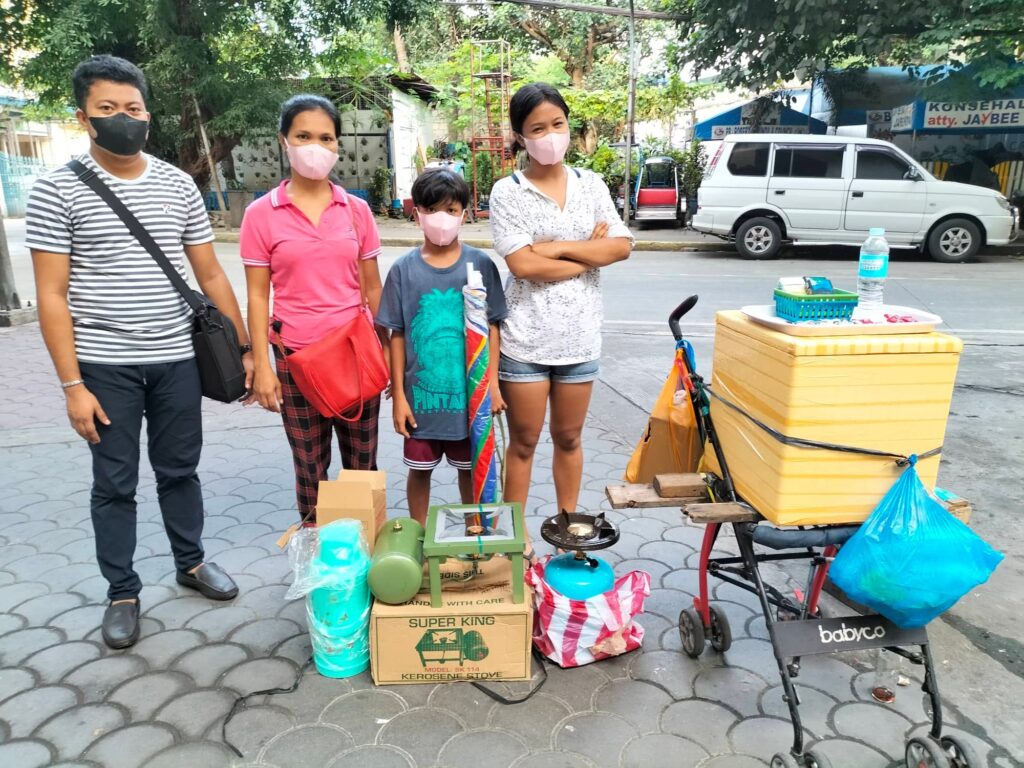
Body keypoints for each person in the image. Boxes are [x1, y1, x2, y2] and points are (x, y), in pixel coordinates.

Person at [27, 55, 252, 649]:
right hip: (104, 366)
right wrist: (73, 386)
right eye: (107, 109)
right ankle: (122, 591)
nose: (122, 119)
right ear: (83, 117)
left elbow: (211, 274)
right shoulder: (55, 190)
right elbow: (50, 295)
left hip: (178, 356)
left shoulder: (177, 184)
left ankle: (192, 562)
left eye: (132, 108)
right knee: (115, 482)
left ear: (146, 114)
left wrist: (245, 347)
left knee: (180, 470)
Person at [488, 82, 633, 550]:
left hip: (580, 340)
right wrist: (591, 252)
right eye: (537, 128)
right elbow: (523, 265)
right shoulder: (506, 192)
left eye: (557, 124)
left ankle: (569, 525)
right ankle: (515, 537)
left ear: (569, 125)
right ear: (519, 136)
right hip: (525, 341)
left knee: (569, 439)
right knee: (524, 443)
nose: (549, 135)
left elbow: (622, 246)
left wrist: (558, 246)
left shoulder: (591, 185)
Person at [242, 94, 385, 523]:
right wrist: (263, 366)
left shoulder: (356, 211)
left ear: (337, 145)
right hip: (296, 361)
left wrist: (392, 357)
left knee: (362, 465)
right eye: (303, 135)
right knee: (310, 467)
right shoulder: (260, 214)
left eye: (325, 137)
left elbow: (373, 288)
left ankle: (367, 554)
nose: (314, 146)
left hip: (355, 355)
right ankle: (319, 562)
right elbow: (256, 296)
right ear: (284, 140)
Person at [376, 169, 507, 524]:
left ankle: (474, 531)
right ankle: (417, 536)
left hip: (471, 402)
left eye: (451, 209)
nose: (442, 219)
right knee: (420, 470)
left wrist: (492, 384)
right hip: (422, 403)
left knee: (471, 470)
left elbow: (493, 327)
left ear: (464, 213)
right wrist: (400, 397)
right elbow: (397, 334)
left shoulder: (480, 264)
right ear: (416, 213)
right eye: (432, 209)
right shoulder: (403, 270)